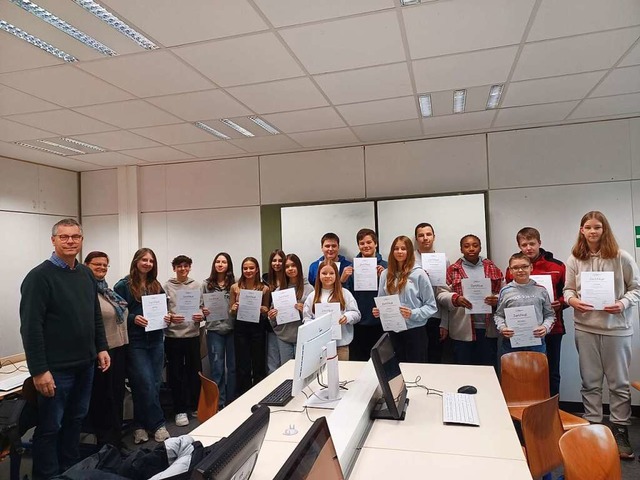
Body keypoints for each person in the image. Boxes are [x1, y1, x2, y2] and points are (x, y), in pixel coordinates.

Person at [20, 218, 109, 480]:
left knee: (75, 422)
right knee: (50, 428)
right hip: (56, 371)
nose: (70, 241)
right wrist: (39, 371)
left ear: (82, 240)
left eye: (75, 237)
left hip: (85, 364)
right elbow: (31, 328)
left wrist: (101, 347)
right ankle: (47, 476)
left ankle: (71, 473)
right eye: (64, 237)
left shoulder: (84, 273)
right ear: (53, 240)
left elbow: (94, 315)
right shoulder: (39, 277)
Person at [564, 211, 640, 459]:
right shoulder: (575, 259)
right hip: (585, 327)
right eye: (588, 227)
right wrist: (573, 301)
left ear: (604, 229)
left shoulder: (622, 257)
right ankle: (594, 427)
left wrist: (623, 304)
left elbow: (636, 289)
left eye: (597, 227)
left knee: (618, 383)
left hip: (616, 329)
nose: (593, 231)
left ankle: (620, 430)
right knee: (590, 382)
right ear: (581, 230)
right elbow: (568, 290)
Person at [114, 248, 169, 444]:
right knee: (143, 383)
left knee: (153, 383)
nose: (147, 263)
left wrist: (167, 317)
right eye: (144, 260)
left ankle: (139, 425)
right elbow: (116, 313)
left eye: (151, 261)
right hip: (136, 341)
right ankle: (158, 423)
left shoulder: (156, 285)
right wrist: (132, 318)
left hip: (155, 340)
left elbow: (164, 308)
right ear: (136, 261)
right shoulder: (122, 285)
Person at [505, 227, 567, 396]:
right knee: (524, 372)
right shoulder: (514, 268)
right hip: (523, 331)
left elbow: (568, 293)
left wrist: (560, 303)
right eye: (524, 245)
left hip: (553, 328)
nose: (528, 248)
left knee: (551, 372)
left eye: (532, 243)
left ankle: (552, 411)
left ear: (539, 243)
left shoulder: (558, 266)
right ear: (519, 246)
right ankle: (526, 410)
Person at [84, 251, 128, 449]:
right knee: (104, 399)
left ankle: (116, 439)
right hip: (102, 353)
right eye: (96, 265)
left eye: (104, 265)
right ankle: (106, 445)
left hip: (118, 349)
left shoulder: (107, 291)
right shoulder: (86, 291)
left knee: (117, 396)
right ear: (86, 265)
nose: (101, 268)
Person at [373, 236, 437, 363]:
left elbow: (431, 306)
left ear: (409, 251)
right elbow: (382, 301)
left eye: (403, 248)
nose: (400, 252)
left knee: (416, 374)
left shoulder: (419, 274)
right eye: (396, 249)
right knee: (395, 373)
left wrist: (413, 313)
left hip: (415, 332)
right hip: (393, 332)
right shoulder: (385, 274)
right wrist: (379, 311)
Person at [444, 234, 503, 368]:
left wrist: (497, 300)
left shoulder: (492, 267)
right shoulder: (453, 269)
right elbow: (441, 294)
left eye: (475, 245)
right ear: (461, 249)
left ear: (480, 247)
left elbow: (505, 293)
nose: (471, 249)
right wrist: (456, 299)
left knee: (488, 369)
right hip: (462, 330)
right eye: (467, 246)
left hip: (488, 330)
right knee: (464, 370)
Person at [163, 255, 203, 428]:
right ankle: (179, 409)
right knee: (176, 374)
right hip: (173, 337)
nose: (183, 269)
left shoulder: (197, 286)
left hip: (193, 335)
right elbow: (162, 312)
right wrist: (171, 317)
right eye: (179, 266)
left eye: (186, 266)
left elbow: (202, 307)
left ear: (190, 267)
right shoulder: (166, 286)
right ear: (174, 268)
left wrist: (201, 314)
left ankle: (194, 405)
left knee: (195, 372)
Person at [494, 253, 555, 356]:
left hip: (536, 342)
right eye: (516, 268)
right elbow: (498, 315)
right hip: (511, 343)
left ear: (531, 267)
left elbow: (550, 315)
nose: (520, 270)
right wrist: (502, 328)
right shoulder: (505, 291)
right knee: (512, 372)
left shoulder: (541, 290)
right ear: (510, 270)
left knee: (537, 372)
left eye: (524, 266)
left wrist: (545, 327)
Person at [303, 260, 361, 360]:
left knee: (342, 373)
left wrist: (347, 317)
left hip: (341, 346)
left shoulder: (345, 293)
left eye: (331, 273)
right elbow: (306, 318)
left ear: (336, 275)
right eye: (324, 273)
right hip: (320, 347)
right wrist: (313, 324)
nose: (328, 276)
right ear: (319, 275)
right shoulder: (312, 296)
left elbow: (357, 314)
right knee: (323, 374)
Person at [230, 257, 270, 395]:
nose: (248, 271)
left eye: (251, 268)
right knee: (242, 365)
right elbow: (231, 312)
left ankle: (259, 395)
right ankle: (243, 395)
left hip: (258, 328)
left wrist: (264, 310)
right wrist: (234, 308)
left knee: (258, 364)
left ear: (257, 269)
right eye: (245, 268)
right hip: (241, 329)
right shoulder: (235, 287)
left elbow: (266, 311)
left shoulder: (264, 288)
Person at [202, 252, 236, 409]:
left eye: (224, 262)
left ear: (228, 265)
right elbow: (199, 307)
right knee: (217, 369)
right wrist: (203, 311)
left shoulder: (235, 284)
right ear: (214, 265)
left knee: (232, 368)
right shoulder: (206, 284)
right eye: (218, 262)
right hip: (214, 330)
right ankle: (219, 404)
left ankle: (232, 402)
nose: (220, 264)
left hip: (232, 329)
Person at [349, 228, 387, 361]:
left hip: (381, 322)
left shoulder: (386, 266)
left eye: (369, 242)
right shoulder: (351, 267)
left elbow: (394, 293)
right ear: (358, 246)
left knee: (380, 362)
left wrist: (384, 276)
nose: (366, 246)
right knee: (360, 362)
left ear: (375, 243)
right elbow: (346, 294)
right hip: (359, 322)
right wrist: (344, 278)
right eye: (362, 243)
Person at [268, 254, 313, 364]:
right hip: (284, 337)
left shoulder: (309, 289)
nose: (290, 269)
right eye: (287, 267)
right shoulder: (279, 291)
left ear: (299, 267)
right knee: (286, 370)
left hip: (303, 337)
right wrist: (272, 316)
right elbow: (272, 320)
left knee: (302, 369)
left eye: (293, 265)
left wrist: (304, 310)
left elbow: (316, 316)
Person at [414, 223, 449, 363]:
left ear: (434, 237)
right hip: (415, 318)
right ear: (416, 239)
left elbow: (445, 292)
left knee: (435, 358)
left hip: (436, 317)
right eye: (421, 235)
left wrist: (445, 323)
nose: (425, 238)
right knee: (417, 358)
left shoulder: (443, 260)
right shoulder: (409, 260)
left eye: (428, 234)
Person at [263, 249, 286, 374]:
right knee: (272, 362)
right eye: (274, 260)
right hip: (271, 327)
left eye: (280, 260)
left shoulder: (289, 281)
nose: (277, 263)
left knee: (286, 361)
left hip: (287, 327)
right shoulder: (265, 281)